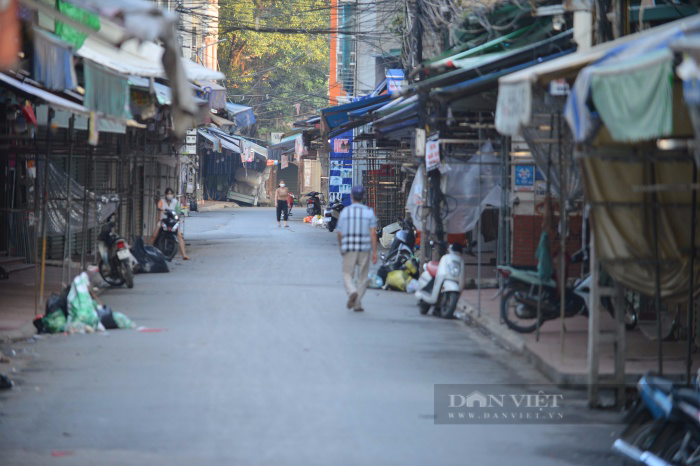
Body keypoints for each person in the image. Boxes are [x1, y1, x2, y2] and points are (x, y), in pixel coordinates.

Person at [336, 186, 378, 312]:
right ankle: (357, 303)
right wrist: (374, 252)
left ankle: (352, 291)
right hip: (364, 249)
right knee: (362, 277)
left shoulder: (345, 212)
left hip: (349, 248)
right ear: (363, 197)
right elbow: (373, 233)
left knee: (347, 274)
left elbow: (339, 233)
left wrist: (341, 246)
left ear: (351, 197)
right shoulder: (370, 212)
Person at [150, 187, 189, 260]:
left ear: (173, 195)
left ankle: (184, 254)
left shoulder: (175, 202)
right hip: (163, 221)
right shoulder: (162, 201)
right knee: (154, 235)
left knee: (179, 236)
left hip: (172, 222)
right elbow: (159, 206)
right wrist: (162, 209)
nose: (169, 195)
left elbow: (178, 212)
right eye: (168, 194)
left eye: (170, 194)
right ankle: (148, 251)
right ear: (165, 195)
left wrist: (179, 217)